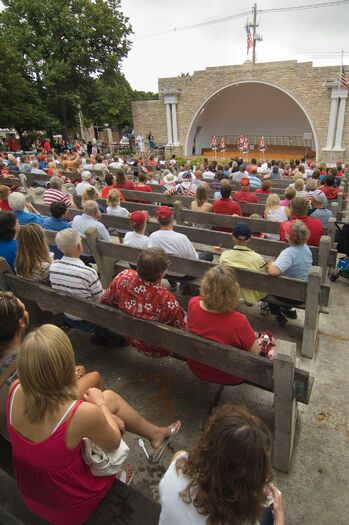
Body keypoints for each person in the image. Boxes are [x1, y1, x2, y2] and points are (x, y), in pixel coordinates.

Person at [7, 322, 180, 524]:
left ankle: (155, 434)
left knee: (108, 399)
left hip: (34, 495)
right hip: (70, 506)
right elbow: (114, 441)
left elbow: (50, 403)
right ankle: (121, 470)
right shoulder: (82, 414)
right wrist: (101, 405)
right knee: (108, 404)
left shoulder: (16, 389)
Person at [159, 404, 285, 525]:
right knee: (268, 512)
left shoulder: (177, 466)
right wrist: (279, 517)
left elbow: (180, 459)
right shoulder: (246, 521)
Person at [0, 292, 103, 439]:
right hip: (40, 428)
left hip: (9, 431)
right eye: (24, 309)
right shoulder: (31, 359)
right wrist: (71, 379)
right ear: (21, 322)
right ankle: (97, 422)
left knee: (80, 370)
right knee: (94, 377)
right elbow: (53, 400)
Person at [100, 248, 185, 358]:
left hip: (130, 336)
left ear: (138, 266)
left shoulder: (123, 277)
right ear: (162, 275)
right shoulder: (168, 301)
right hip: (157, 348)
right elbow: (178, 331)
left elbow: (105, 301)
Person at [186, 265, 260, 385]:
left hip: (197, 366)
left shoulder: (193, 303)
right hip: (229, 375)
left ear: (205, 286)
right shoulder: (239, 321)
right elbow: (255, 353)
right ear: (233, 291)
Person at [49, 228, 111, 344]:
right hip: (90, 320)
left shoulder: (53, 268)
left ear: (59, 248)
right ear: (79, 246)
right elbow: (101, 300)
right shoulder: (87, 272)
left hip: (69, 316)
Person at [268, 220, 312, 326]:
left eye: (287, 232)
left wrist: (270, 265)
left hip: (288, 295)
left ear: (291, 237)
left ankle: (277, 313)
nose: (285, 233)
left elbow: (273, 272)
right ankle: (287, 310)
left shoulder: (289, 253)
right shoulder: (306, 249)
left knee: (267, 284)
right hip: (301, 294)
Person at [219, 223, 267, 305]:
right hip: (251, 294)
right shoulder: (258, 259)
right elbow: (264, 277)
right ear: (250, 238)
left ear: (232, 237)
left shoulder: (224, 256)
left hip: (230, 291)